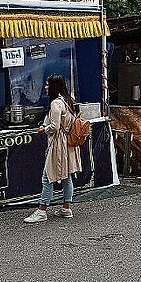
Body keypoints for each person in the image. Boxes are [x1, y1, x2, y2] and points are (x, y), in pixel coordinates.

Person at [24, 74, 83, 224]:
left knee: (48, 176)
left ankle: (42, 210)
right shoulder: (68, 100)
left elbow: (55, 127)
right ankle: (66, 208)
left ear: (54, 86)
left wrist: (44, 129)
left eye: (48, 85)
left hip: (58, 143)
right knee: (66, 176)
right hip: (68, 143)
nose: (45, 87)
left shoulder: (56, 103)